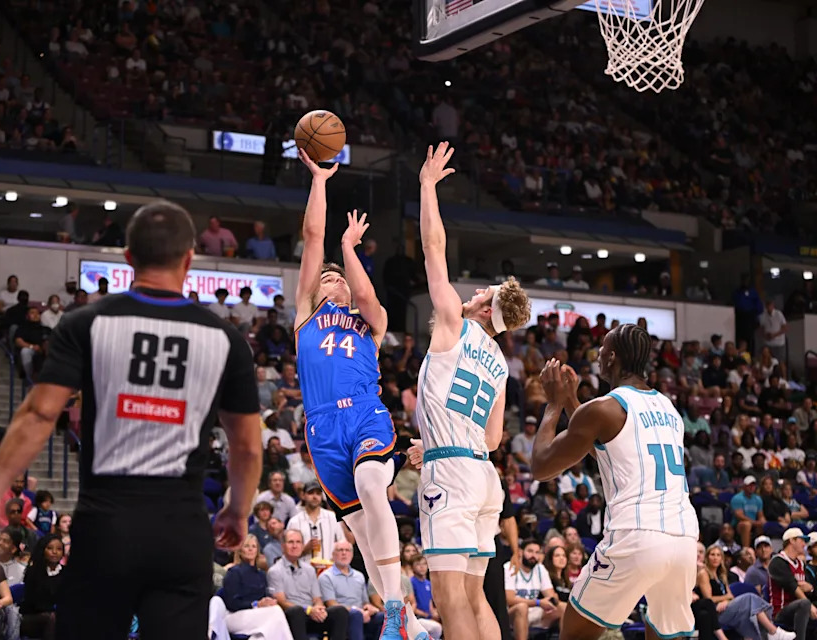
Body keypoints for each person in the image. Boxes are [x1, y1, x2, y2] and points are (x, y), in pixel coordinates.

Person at [0, 200, 263, 640]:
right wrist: (237, 510)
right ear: (189, 258)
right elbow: (246, 446)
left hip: (105, 525)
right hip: (181, 528)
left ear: (128, 257)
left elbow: (39, 414)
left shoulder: (86, 323)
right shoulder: (226, 339)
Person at [403, 142, 532, 640]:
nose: (474, 291)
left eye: (483, 292)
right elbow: (495, 438)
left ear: (485, 307)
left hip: (452, 475)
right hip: (483, 474)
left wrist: (428, 187)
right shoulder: (500, 361)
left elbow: (434, 249)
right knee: (478, 597)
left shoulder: (454, 321)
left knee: (449, 596)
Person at [292, 147, 412, 640]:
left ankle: (397, 606)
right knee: (360, 530)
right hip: (322, 427)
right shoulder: (305, 316)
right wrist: (319, 181)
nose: (332, 278)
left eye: (337, 276)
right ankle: (405, 621)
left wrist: (350, 250)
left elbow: (364, 293)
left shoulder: (371, 322)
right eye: (326, 277)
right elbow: (311, 237)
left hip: (365, 414)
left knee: (370, 485)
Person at [530, 323, 700, 640]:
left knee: (575, 632)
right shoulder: (669, 408)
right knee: (664, 633)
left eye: (602, 350)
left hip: (636, 534)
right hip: (684, 538)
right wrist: (571, 401)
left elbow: (541, 466)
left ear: (612, 357)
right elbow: (609, 449)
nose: (597, 356)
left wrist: (554, 403)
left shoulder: (603, 408)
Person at [267, 529, 350, 640]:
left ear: (302, 545)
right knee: (297, 612)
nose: (295, 546)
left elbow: (317, 598)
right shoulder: (275, 571)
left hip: (312, 615)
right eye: (291, 542)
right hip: (292, 617)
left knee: (340, 611)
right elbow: (281, 602)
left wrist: (319, 608)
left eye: (298, 542)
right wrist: (308, 610)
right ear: (283, 546)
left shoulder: (309, 569)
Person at [698, 544, 792, 640]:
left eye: (718, 555)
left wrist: (726, 601)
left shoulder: (721, 574)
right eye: (712, 555)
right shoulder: (704, 573)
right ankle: (773, 631)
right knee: (749, 598)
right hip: (715, 613)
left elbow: (730, 596)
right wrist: (726, 598)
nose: (715, 558)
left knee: (747, 614)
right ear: (707, 557)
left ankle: (768, 634)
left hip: (726, 607)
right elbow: (708, 598)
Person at [220, 534, 294, 640]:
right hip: (234, 616)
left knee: (263, 635)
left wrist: (268, 601)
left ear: (257, 551)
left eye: (253, 546)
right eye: (247, 546)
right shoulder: (234, 572)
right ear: (240, 550)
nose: (250, 549)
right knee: (275, 612)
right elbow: (232, 603)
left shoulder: (261, 575)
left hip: (257, 615)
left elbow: (264, 596)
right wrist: (255, 604)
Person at [319, 540, 385, 640]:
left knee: (383, 617)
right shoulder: (326, 577)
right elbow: (331, 604)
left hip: (361, 614)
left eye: (348, 550)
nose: (344, 553)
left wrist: (368, 608)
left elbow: (365, 602)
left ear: (352, 554)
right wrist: (357, 611)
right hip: (341, 617)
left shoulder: (359, 576)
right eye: (340, 550)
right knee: (356, 615)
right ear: (333, 554)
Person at [505, 540, 566, 640]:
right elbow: (510, 599)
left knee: (563, 607)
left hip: (535, 612)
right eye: (530, 551)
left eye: (537, 552)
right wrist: (537, 602)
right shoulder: (510, 567)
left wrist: (553, 600)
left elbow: (550, 595)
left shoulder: (540, 569)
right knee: (522, 607)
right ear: (520, 552)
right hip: (511, 614)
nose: (534, 555)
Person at [768, 528, 816, 640]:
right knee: (804, 604)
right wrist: (810, 606)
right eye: (802, 540)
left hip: (800, 610)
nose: (804, 544)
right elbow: (792, 586)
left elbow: (808, 588)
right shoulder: (777, 562)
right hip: (780, 612)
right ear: (792, 541)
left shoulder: (801, 564)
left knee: (805, 604)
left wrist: (811, 588)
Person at [286, 480, 345, 562]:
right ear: (303, 495)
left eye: (318, 493)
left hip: (329, 570)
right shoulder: (294, 522)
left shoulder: (332, 517)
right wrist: (304, 550)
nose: (315, 496)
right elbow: (288, 553)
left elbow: (342, 544)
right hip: (304, 571)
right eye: (311, 493)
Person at [20, 535, 65, 640]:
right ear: (42, 550)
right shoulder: (33, 572)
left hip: (59, 617)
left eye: (59, 549)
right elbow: (33, 603)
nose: (54, 552)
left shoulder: (67, 573)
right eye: (50, 548)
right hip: (32, 617)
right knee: (52, 618)